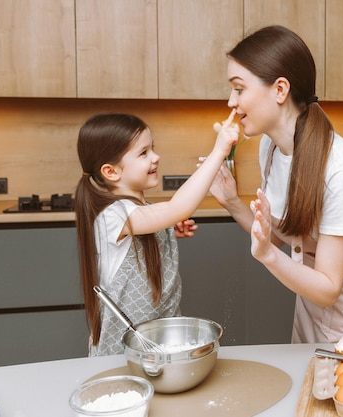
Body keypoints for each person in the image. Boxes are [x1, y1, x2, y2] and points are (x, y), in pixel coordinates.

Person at [209, 25, 343, 344]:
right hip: (308, 297)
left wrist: (267, 255)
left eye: (239, 89)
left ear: (280, 90)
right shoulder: (269, 149)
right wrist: (231, 201)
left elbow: (327, 288)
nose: (231, 101)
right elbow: (278, 240)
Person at [75, 111, 238, 355]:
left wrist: (166, 233)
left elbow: (163, 218)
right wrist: (219, 152)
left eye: (153, 149)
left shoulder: (143, 211)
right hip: (121, 347)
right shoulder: (112, 216)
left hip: (158, 337)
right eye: (143, 153)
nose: (155, 157)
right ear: (111, 172)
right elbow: (177, 208)